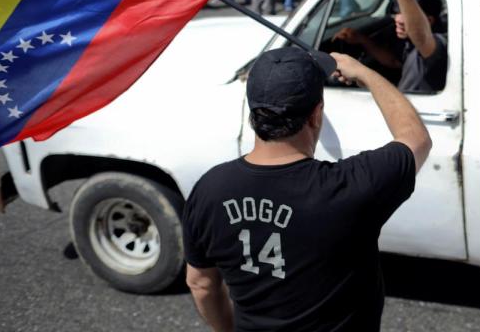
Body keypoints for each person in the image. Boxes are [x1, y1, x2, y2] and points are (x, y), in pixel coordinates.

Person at [183, 46, 431, 332]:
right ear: (315, 115)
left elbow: (200, 283)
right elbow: (416, 139)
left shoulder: (210, 189)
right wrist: (366, 74)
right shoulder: (349, 187)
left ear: (254, 113)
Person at [333, 0, 449, 93]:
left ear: (429, 21)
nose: (399, 19)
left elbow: (422, 36)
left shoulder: (437, 45)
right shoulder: (409, 44)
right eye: (397, 12)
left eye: (406, 14)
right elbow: (394, 62)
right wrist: (362, 40)